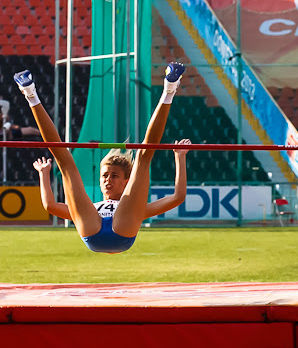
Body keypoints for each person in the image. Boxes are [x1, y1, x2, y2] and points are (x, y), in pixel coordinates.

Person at [17, 62, 187, 254]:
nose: (108, 180)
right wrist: (44, 173)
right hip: (99, 228)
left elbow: (178, 197)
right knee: (65, 161)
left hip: (117, 228)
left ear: (126, 182)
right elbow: (50, 206)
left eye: (114, 176)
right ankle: (30, 93)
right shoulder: (95, 207)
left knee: (142, 156)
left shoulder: (138, 208)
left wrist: (179, 158)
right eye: (105, 175)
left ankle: (169, 88)